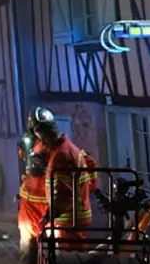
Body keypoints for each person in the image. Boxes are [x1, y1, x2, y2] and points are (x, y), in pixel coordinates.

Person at [28, 107, 98, 250]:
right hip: (72, 219)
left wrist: (48, 217)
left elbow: (63, 196)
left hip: (69, 222)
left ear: (40, 133)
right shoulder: (64, 150)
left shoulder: (61, 156)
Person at [16, 128, 48, 264]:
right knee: (28, 255)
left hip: (42, 218)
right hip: (29, 219)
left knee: (46, 258)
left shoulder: (47, 152)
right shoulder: (31, 169)